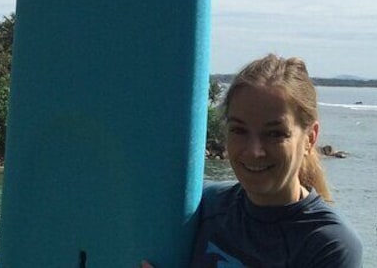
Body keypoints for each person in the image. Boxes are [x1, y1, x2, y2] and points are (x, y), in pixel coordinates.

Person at [143, 54, 362, 267]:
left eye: (275, 134)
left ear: (310, 138)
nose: (254, 151)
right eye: (239, 130)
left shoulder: (328, 245)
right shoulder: (205, 205)